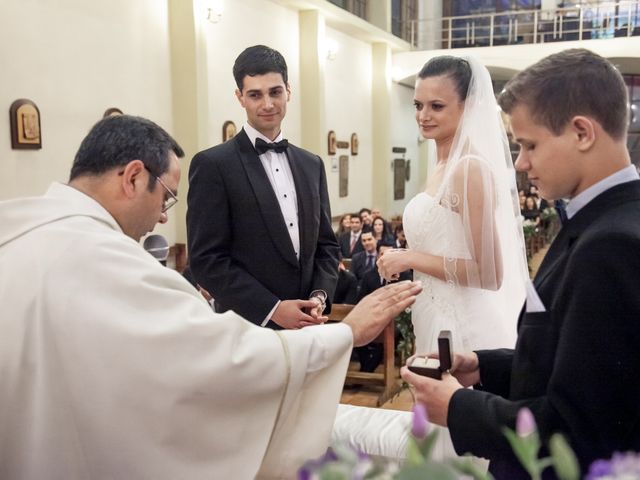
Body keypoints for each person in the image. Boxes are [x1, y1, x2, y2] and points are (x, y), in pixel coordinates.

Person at [0, 114, 423, 479]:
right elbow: (221, 357)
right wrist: (345, 334)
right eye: (166, 195)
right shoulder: (108, 262)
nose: (164, 215)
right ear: (132, 177)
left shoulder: (17, 235)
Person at [402, 49, 640, 479]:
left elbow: (578, 427)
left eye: (529, 145)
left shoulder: (612, 246)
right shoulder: (605, 221)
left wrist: (458, 408)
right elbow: (578, 366)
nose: (520, 163)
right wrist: (485, 364)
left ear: (582, 132)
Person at [378, 55, 528, 357]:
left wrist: (409, 257)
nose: (423, 115)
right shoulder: (441, 165)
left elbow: (488, 274)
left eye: (437, 106)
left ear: (468, 106)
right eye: (418, 105)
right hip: (433, 312)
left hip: (463, 324)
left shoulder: (469, 168)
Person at [187, 45, 340, 329]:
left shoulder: (312, 164)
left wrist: (320, 295)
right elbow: (206, 260)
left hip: (310, 324)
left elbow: (327, 245)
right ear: (240, 98)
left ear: (288, 91)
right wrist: (273, 309)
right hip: (246, 327)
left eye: (275, 92)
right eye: (255, 95)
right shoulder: (213, 165)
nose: (268, 104)